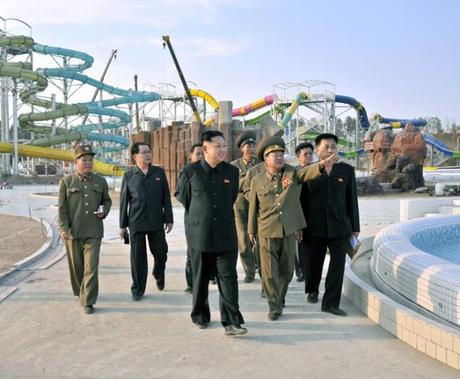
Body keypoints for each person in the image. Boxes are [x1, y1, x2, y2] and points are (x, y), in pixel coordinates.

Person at [248, 136, 337, 320]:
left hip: (288, 230)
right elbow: (253, 207)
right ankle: (274, 306)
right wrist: (251, 230)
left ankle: (279, 297)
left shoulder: (292, 173)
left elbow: (307, 172)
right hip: (266, 230)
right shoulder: (257, 180)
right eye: (275, 155)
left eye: (281, 154)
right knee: (269, 273)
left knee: (287, 271)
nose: (279, 157)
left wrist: (321, 165)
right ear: (266, 159)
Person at [176, 129, 247, 337]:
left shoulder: (232, 173)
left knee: (228, 278)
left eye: (224, 146)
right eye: (218, 146)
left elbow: (231, 198)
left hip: (225, 234)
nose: (223, 150)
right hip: (200, 235)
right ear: (205, 148)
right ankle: (200, 315)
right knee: (200, 278)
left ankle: (232, 322)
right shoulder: (190, 172)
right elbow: (184, 198)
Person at [303, 133, 360, 316]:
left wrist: (355, 227)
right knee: (314, 263)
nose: (330, 149)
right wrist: (299, 226)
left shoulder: (347, 171)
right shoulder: (308, 171)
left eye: (333, 146)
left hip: (340, 227)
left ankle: (330, 303)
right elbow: (301, 201)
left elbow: (352, 199)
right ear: (317, 150)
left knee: (337, 266)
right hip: (314, 227)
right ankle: (312, 289)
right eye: (326, 146)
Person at [58, 144, 112, 314]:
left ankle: (88, 300)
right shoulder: (66, 182)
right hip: (73, 232)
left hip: (94, 231)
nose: (88, 163)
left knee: (91, 267)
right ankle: (81, 291)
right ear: (76, 162)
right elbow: (62, 208)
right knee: (77, 268)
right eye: (84, 160)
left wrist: (104, 211)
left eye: (91, 160)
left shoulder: (100, 181)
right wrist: (63, 227)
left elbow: (107, 201)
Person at [119, 142, 174, 301]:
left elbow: (166, 197)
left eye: (149, 151)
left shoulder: (159, 173)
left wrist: (169, 219)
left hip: (156, 220)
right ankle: (138, 288)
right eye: (144, 152)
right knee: (138, 258)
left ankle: (159, 273)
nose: (148, 155)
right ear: (135, 156)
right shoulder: (129, 176)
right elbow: (124, 202)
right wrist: (123, 226)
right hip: (136, 221)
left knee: (161, 252)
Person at [230, 130, 261, 283]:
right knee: (243, 241)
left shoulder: (262, 164)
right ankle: (249, 271)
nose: (250, 149)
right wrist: (249, 181)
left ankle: (256, 263)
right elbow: (232, 186)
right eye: (247, 146)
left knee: (259, 238)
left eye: (252, 146)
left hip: (260, 205)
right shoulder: (234, 166)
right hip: (241, 206)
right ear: (241, 149)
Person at [183, 143, 204, 294]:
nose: (201, 156)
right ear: (190, 156)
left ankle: (209, 276)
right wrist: (196, 207)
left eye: (203, 153)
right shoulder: (187, 172)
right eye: (198, 153)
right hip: (193, 218)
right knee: (193, 250)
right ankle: (191, 282)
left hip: (210, 218)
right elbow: (182, 194)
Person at [294, 142, 315, 282]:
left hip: (315, 214)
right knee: (299, 244)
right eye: (305, 154)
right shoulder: (293, 173)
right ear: (298, 156)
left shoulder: (318, 170)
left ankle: (310, 270)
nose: (308, 156)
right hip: (299, 213)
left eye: (310, 153)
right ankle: (300, 270)